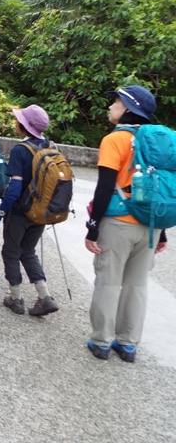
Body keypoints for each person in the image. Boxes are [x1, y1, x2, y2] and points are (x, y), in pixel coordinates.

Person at [84, 85, 167, 362]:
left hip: (119, 223)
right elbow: (158, 189)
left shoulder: (115, 140)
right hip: (152, 224)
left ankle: (102, 342)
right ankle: (129, 344)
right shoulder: (158, 141)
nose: (110, 107)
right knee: (137, 285)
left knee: (108, 283)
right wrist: (162, 233)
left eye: (116, 102)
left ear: (128, 109)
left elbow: (105, 187)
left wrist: (92, 228)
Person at [0, 105, 59, 317]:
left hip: (20, 213)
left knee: (11, 252)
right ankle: (45, 297)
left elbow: (15, 188)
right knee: (28, 251)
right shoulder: (51, 146)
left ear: (23, 126)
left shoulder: (20, 150)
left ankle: (16, 299)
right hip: (42, 212)